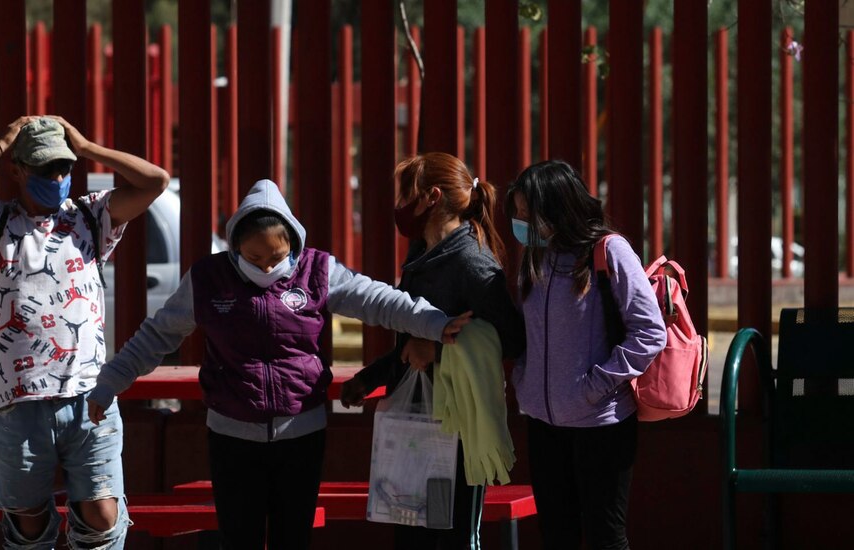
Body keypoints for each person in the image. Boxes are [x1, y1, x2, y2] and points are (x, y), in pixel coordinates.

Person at [88, 178, 471, 550]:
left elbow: (381, 301)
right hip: (231, 434)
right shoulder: (208, 279)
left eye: (276, 257)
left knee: (293, 538)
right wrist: (108, 384)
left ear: (293, 245)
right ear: (235, 245)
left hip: (302, 432)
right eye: (254, 258)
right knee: (240, 539)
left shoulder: (318, 271)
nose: (266, 267)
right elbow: (156, 336)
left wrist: (435, 324)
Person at [0, 115, 170, 549]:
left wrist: (89, 147)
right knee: (28, 525)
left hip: (88, 397)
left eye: (63, 168)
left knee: (101, 515)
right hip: (20, 403)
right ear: (17, 171)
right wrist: (1, 145)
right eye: (44, 169)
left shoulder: (91, 217)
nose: (57, 178)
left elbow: (155, 181)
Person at [340, 152, 526, 550]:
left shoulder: (473, 264)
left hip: (456, 427)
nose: (399, 204)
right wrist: (369, 378)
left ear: (431, 198)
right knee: (409, 528)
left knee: (450, 534)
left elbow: (509, 340)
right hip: (415, 425)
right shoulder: (419, 256)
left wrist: (437, 349)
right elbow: (411, 345)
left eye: (406, 194)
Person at [505, 160, 665, 550]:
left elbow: (650, 331)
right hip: (544, 422)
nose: (522, 223)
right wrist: (524, 380)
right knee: (556, 535)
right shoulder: (535, 258)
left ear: (558, 208)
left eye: (530, 214)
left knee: (604, 537)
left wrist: (595, 386)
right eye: (519, 214)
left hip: (601, 423)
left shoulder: (609, 252)